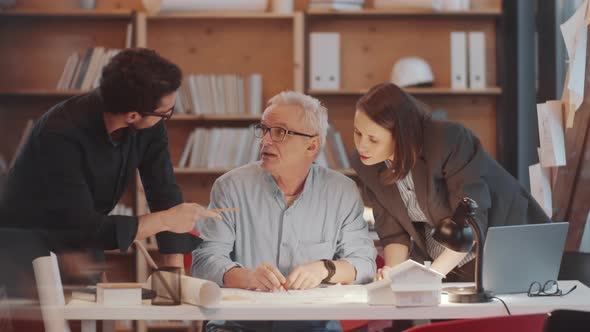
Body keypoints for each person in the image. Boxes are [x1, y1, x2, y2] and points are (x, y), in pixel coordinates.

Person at [0, 48, 219, 296]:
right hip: (24, 249)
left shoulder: (149, 121)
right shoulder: (60, 132)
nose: (168, 115)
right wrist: (165, 220)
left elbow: (163, 189)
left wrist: (175, 273)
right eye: (166, 112)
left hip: (79, 244)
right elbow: (83, 225)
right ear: (132, 115)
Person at [192, 91, 376, 332]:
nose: (265, 140)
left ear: (312, 145)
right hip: (238, 327)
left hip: (314, 327)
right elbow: (204, 261)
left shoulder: (342, 191)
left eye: (280, 132)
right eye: (263, 129)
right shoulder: (230, 187)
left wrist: (324, 268)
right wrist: (247, 277)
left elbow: (363, 264)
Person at [351, 82, 550, 282]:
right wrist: (391, 274)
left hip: (502, 245)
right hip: (442, 258)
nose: (362, 146)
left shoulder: (448, 140)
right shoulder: (367, 165)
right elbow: (393, 233)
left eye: (373, 139)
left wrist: (428, 278)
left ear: (401, 136)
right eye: (357, 133)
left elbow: (472, 219)